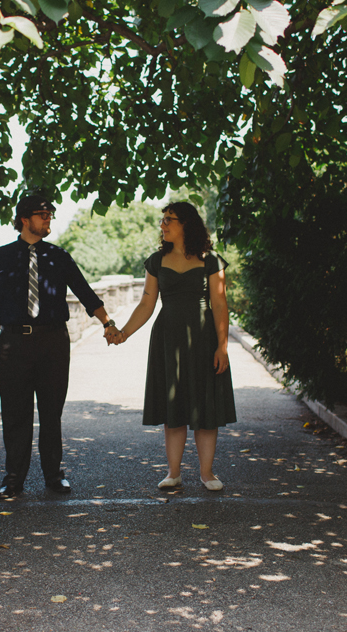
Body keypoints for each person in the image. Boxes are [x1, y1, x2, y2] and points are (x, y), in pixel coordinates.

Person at [0, 194, 122, 500]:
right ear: (24, 219)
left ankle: (54, 477)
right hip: (14, 343)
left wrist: (107, 323)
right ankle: (13, 479)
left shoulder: (59, 256)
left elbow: (85, 293)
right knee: (16, 414)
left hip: (53, 342)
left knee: (51, 413)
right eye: (43, 214)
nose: (48, 220)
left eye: (50, 215)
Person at [112, 201, 237, 491]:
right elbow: (146, 303)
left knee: (205, 407)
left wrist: (222, 346)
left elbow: (220, 304)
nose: (163, 224)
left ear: (186, 224)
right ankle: (173, 472)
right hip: (168, 338)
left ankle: (207, 474)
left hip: (204, 339)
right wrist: (124, 333)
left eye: (170, 219)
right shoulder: (156, 261)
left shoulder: (211, 260)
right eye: (163, 219)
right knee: (173, 405)